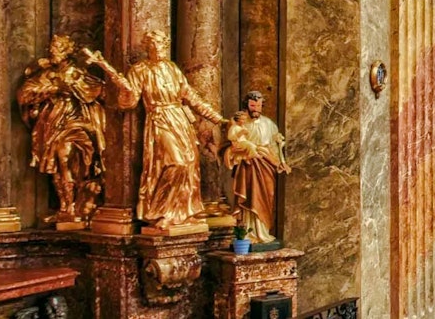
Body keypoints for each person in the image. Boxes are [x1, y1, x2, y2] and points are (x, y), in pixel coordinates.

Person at [84, 31, 226, 231]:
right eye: (154, 45)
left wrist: (218, 119)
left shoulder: (172, 68)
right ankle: (163, 211)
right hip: (159, 119)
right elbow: (129, 102)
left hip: (179, 120)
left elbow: (192, 98)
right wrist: (124, 88)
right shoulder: (140, 70)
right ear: (147, 47)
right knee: (176, 163)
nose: (158, 48)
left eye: (161, 44)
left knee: (189, 164)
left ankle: (181, 213)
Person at [18, 34, 106, 224]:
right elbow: (25, 93)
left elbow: (94, 91)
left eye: (57, 47)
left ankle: (75, 205)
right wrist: (52, 89)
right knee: (56, 166)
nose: (52, 51)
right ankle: (65, 207)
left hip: (76, 121)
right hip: (52, 123)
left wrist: (72, 87)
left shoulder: (76, 72)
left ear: (67, 51)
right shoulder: (48, 73)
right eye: (52, 47)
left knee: (64, 155)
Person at [222, 91, 290, 243]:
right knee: (249, 196)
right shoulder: (239, 124)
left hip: (266, 166)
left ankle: (263, 232)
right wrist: (241, 152)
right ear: (246, 105)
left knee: (266, 197)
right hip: (248, 166)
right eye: (253, 105)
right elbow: (229, 146)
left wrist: (280, 162)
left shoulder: (269, 124)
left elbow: (275, 147)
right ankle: (247, 233)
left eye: (259, 106)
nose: (256, 109)